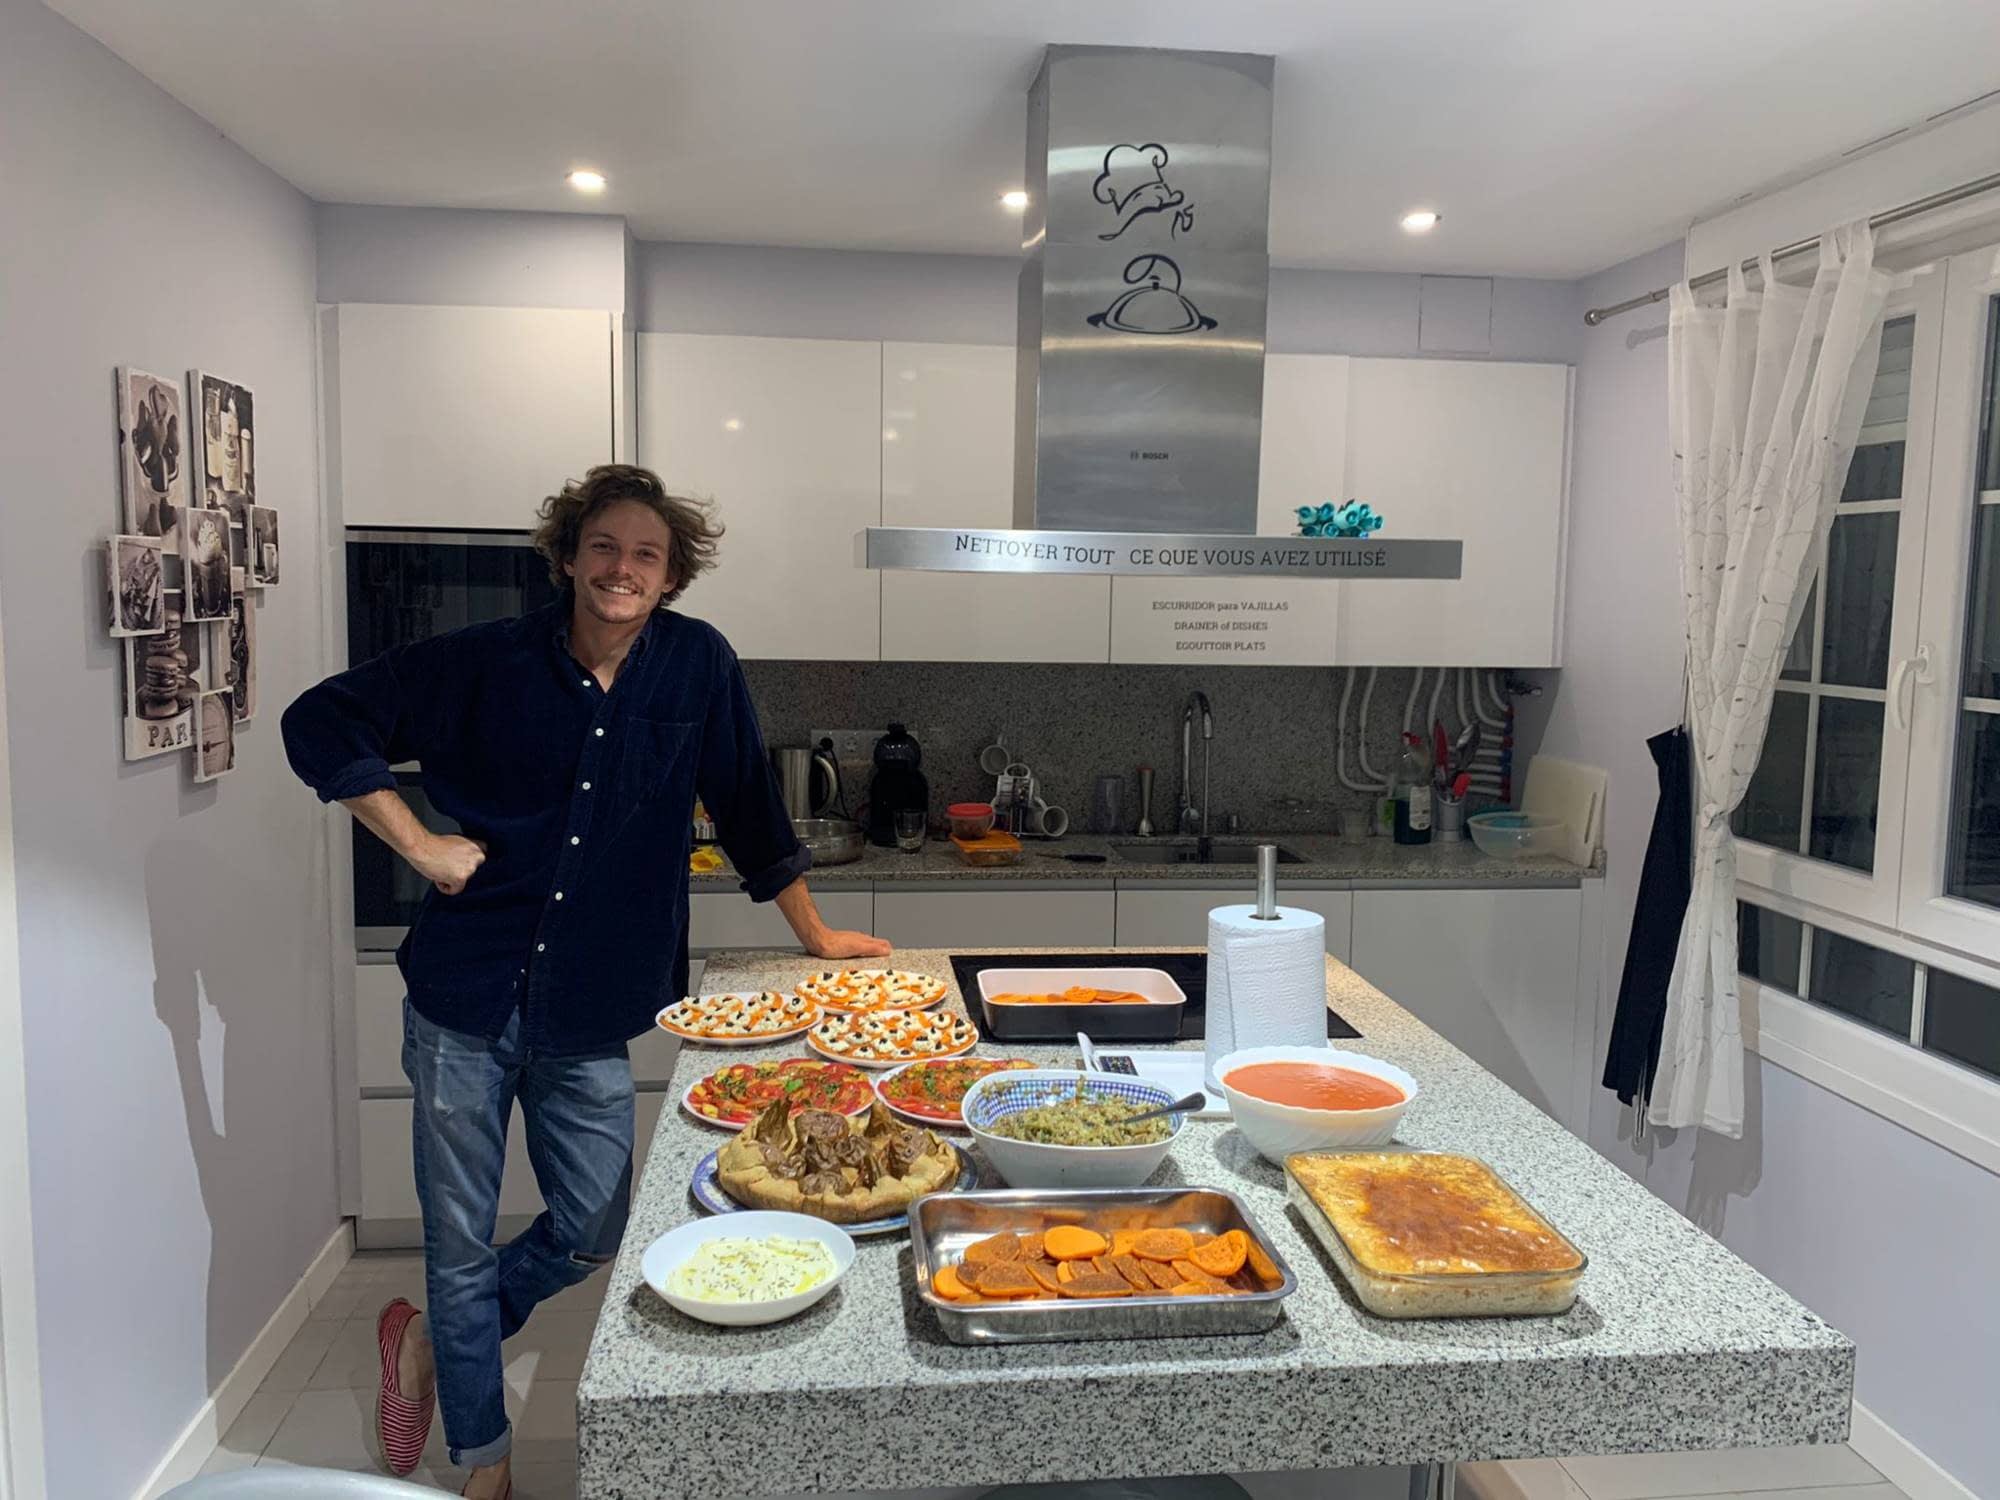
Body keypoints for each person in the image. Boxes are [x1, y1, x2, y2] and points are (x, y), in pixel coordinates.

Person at [281, 464, 888, 1499]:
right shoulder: (482, 662)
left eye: (646, 554)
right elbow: (318, 721)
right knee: (459, 1242)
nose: (622, 568)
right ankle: (485, 1466)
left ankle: (429, 1340)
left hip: (590, 1003)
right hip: (465, 997)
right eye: (603, 546)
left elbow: (747, 802)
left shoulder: (695, 664)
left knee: (596, 1226)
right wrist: (418, 843)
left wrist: (815, 930)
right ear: (568, 557)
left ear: (671, 575)